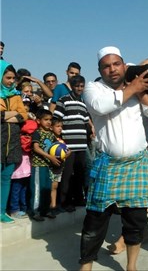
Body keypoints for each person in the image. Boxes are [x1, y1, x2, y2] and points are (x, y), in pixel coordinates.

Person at [79, 46, 148, 271]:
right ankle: (86, 265)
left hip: (137, 163)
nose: (112, 69)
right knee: (95, 218)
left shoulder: (137, 89)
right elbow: (101, 106)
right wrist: (132, 88)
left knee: (135, 220)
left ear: (124, 66)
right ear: (100, 69)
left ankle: (131, 265)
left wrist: (140, 91)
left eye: (116, 64)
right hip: (107, 163)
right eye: (106, 66)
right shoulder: (93, 88)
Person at [53, 75, 93, 212]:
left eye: (82, 86)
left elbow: (87, 121)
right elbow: (56, 120)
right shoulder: (63, 100)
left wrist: (92, 130)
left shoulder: (83, 103)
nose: (79, 89)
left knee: (80, 174)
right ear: (71, 85)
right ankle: (65, 202)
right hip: (68, 146)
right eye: (77, 86)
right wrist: (60, 141)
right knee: (67, 175)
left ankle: (78, 199)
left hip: (82, 146)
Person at [1, 60, 28, 223]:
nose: (11, 81)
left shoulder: (16, 96)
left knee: (5, 179)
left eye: (13, 78)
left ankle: (1, 211)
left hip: (12, 145)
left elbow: (23, 116)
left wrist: (6, 115)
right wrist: (12, 115)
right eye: (8, 78)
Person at [30, 109, 64, 220]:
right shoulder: (37, 133)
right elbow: (36, 148)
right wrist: (50, 157)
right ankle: (35, 211)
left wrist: (65, 151)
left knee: (47, 188)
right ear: (38, 121)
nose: (49, 122)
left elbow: (57, 146)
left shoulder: (50, 134)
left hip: (48, 166)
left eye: (50, 120)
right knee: (37, 189)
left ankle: (45, 210)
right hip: (38, 165)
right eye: (46, 120)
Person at [8, 96, 38, 219]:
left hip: (27, 158)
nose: (25, 107)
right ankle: (14, 208)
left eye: (27, 105)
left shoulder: (30, 119)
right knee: (16, 185)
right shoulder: (20, 120)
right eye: (23, 104)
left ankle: (23, 207)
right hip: (18, 156)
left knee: (24, 185)